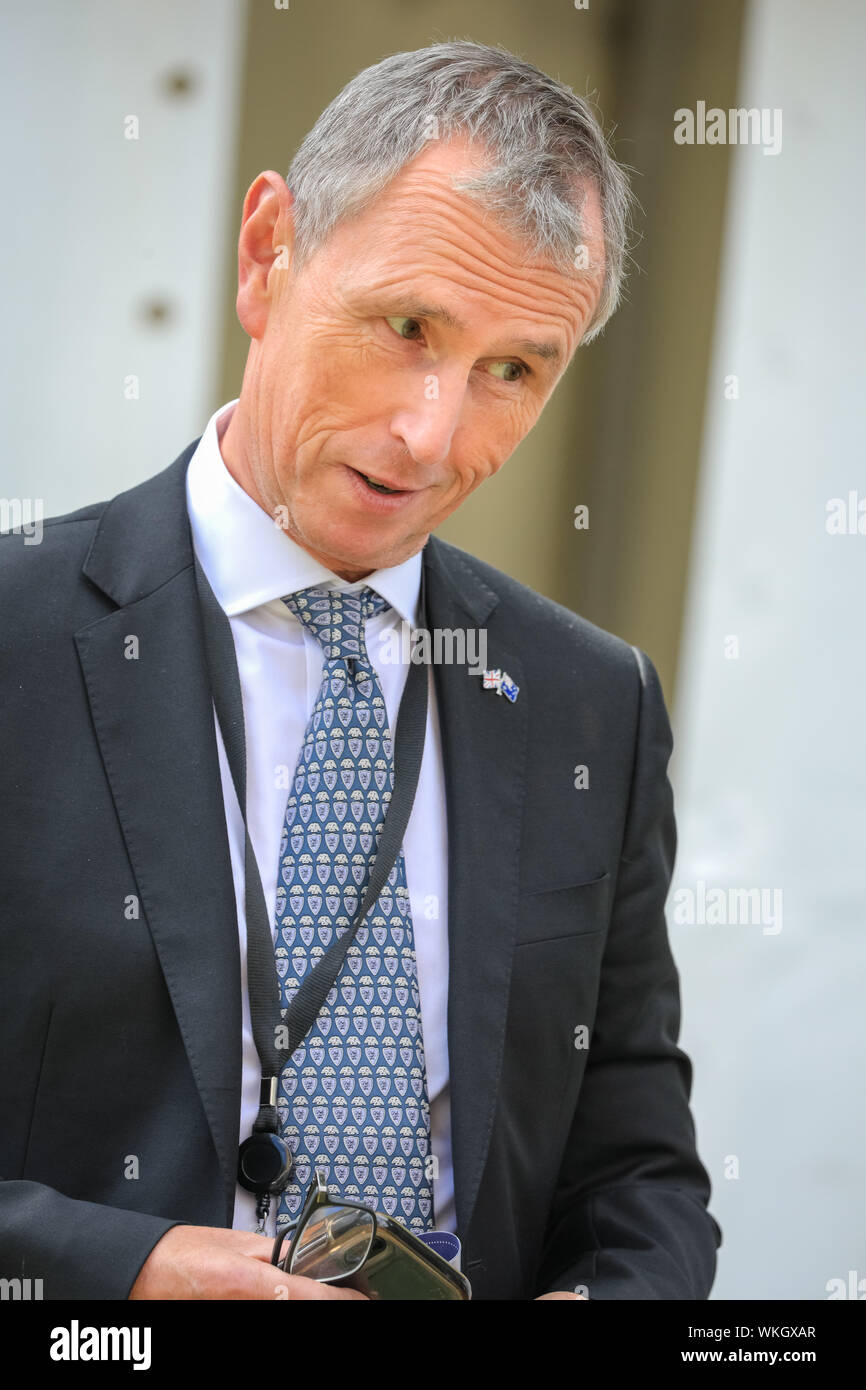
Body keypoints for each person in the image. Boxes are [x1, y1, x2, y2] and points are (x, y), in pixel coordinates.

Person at [0, 39, 721, 1300]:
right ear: (266, 250)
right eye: (406, 327)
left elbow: (638, 1179)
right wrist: (129, 1274)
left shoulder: (591, 705)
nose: (432, 435)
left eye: (513, 369)